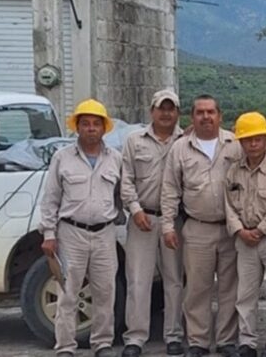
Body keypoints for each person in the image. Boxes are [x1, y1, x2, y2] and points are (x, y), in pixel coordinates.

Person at [39, 99, 121, 357]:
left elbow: (121, 194)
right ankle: (65, 346)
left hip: (105, 234)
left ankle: (102, 344)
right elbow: (50, 198)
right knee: (68, 292)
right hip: (71, 233)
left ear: (104, 128)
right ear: (77, 127)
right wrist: (49, 234)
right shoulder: (62, 158)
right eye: (85, 123)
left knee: (105, 292)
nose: (91, 128)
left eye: (96, 123)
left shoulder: (116, 159)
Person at [161, 95, 241, 357]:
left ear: (220, 116)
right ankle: (198, 341)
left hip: (231, 228)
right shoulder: (180, 148)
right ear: (191, 117)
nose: (206, 117)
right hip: (197, 227)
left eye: (210, 112)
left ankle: (227, 340)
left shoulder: (235, 145)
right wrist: (167, 226)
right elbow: (170, 189)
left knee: (230, 287)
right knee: (197, 288)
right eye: (200, 112)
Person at [120, 90, 186, 357]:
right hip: (142, 219)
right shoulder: (134, 140)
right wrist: (135, 210)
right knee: (138, 280)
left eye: (171, 109)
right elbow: (126, 179)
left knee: (175, 280)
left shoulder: (186, 140)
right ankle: (135, 338)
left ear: (178, 113)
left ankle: (174, 335)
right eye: (161, 108)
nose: (166, 113)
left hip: (176, 220)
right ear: (152, 111)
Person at [225, 112, 266, 357]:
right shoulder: (233, 172)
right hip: (244, 239)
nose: (253, 144)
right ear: (241, 142)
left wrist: (261, 229)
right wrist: (240, 230)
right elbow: (228, 206)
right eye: (248, 139)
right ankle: (247, 342)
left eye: (258, 139)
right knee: (245, 294)